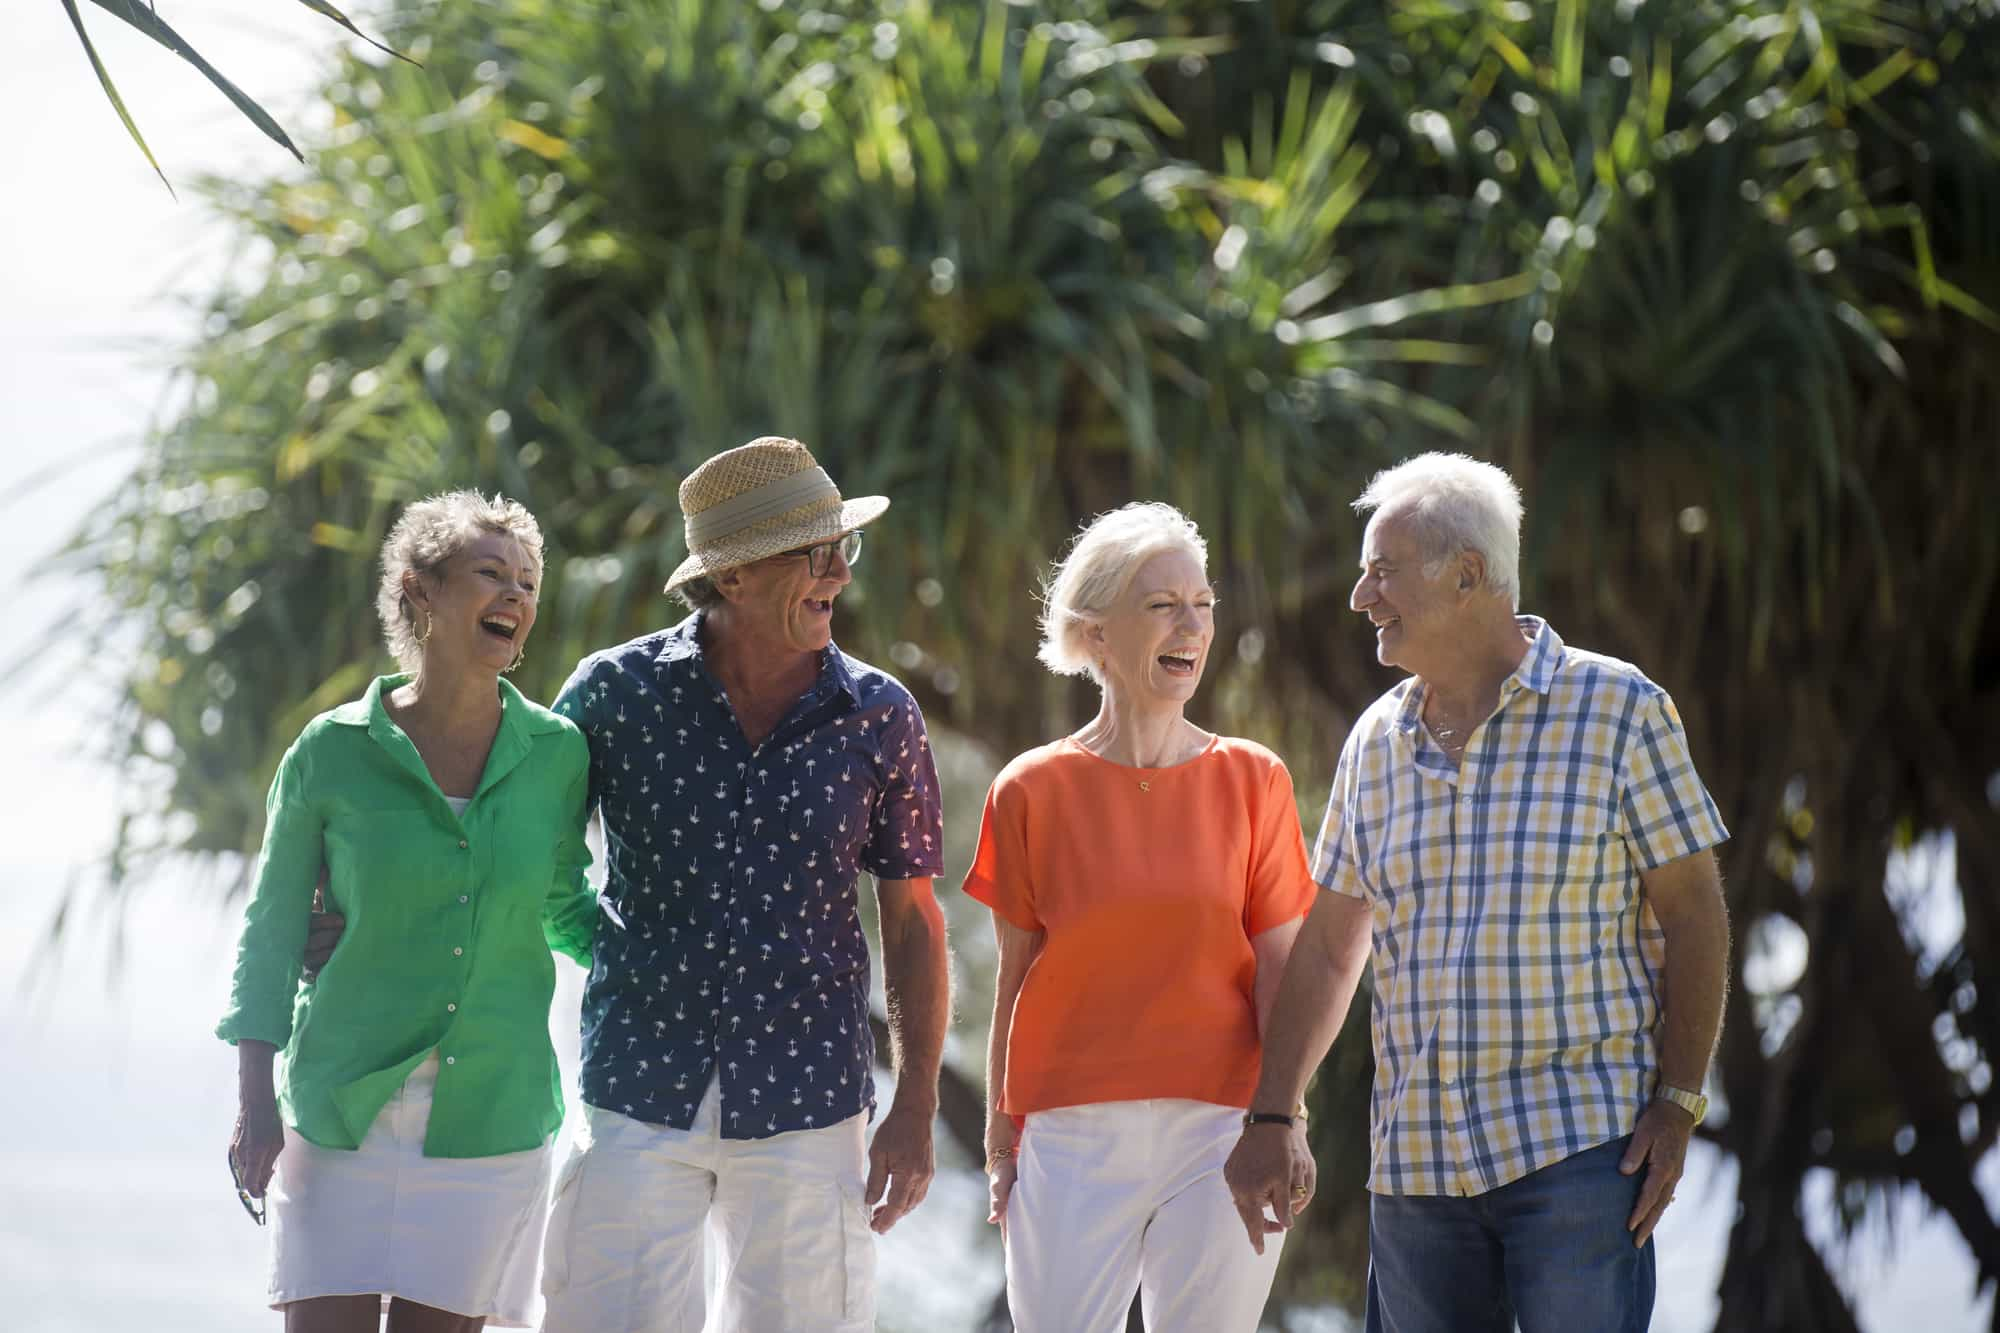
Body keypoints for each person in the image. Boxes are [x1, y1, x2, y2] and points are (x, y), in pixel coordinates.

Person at [1223, 453, 1732, 1332]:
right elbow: (1332, 945)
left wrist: (1679, 1100)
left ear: (1467, 575)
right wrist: (1274, 1109)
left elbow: (1696, 914)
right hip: (1416, 1171)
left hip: (1578, 1155)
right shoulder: (1374, 743)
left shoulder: (1620, 710)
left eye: (1381, 571)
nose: (1359, 596)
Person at [538, 436, 949, 1333]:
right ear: (730, 578)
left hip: (811, 1103)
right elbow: (524, 847)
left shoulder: (882, 715)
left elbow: (914, 923)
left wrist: (916, 1102)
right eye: (814, 553)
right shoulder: (611, 695)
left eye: (844, 548)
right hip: (636, 1092)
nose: (839, 571)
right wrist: (596, 944)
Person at [219, 491, 599, 1332]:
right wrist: (254, 1097)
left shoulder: (557, 755)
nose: (516, 597)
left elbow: (563, 902)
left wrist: (655, 957)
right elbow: (274, 931)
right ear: (418, 589)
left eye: (529, 583)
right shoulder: (331, 751)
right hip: (340, 1112)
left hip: (490, 1121)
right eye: (490, 574)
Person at [966, 502, 1319, 1332]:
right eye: (1163, 604)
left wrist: (1287, 1116)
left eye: (1202, 603)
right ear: (1096, 636)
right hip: (1068, 1131)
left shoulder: (1255, 780)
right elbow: (1013, 981)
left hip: (1222, 1128)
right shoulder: (1028, 789)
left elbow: (1282, 972)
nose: (1191, 624)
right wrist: (999, 1135)